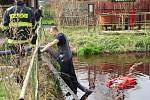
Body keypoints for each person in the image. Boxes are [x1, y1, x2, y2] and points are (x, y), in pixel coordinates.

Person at [41, 26, 93, 100]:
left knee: (62, 75)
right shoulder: (62, 35)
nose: (50, 33)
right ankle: (86, 90)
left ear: (55, 31)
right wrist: (45, 46)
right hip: (68, 58)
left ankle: (73, 90)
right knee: (73, 77)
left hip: (64, 59)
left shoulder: (60, 36)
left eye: (51, 32)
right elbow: (51, 43)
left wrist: (42, 50)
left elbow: (52, 43)